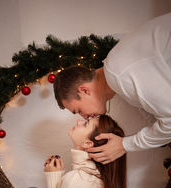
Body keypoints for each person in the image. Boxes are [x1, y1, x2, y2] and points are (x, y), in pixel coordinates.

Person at [53, 13, 171, 165]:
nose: (84, 117)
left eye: (79, 110)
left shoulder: (120, 74)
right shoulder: (117, 75)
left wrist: (124, 144)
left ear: (84, 90)